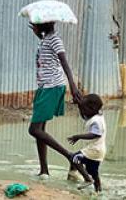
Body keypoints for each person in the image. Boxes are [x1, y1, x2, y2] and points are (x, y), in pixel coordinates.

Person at [27, 21, 91, 182]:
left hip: (52, 87)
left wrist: (73, 86)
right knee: (40, 129)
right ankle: (44, 170)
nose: (33, 26)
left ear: (43, 26)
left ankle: (71, 157)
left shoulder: (55, 40)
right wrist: (39, 35)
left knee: (34, 129)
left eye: (35, 24)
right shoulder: (46, 39)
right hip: (45, 87)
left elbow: (64, 63)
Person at [68, 94, 106, 192]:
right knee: (93, 172)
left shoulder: (96, 121)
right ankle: (98, 191)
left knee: (74, 158)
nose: (83, 112)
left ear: (92, 109)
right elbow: (84, 115)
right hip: (98, 151)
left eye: (84, 109)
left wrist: (78, 136)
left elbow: (95, 134)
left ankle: (87, 179)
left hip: (94, 149)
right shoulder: (95, 115)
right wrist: (79, 105)